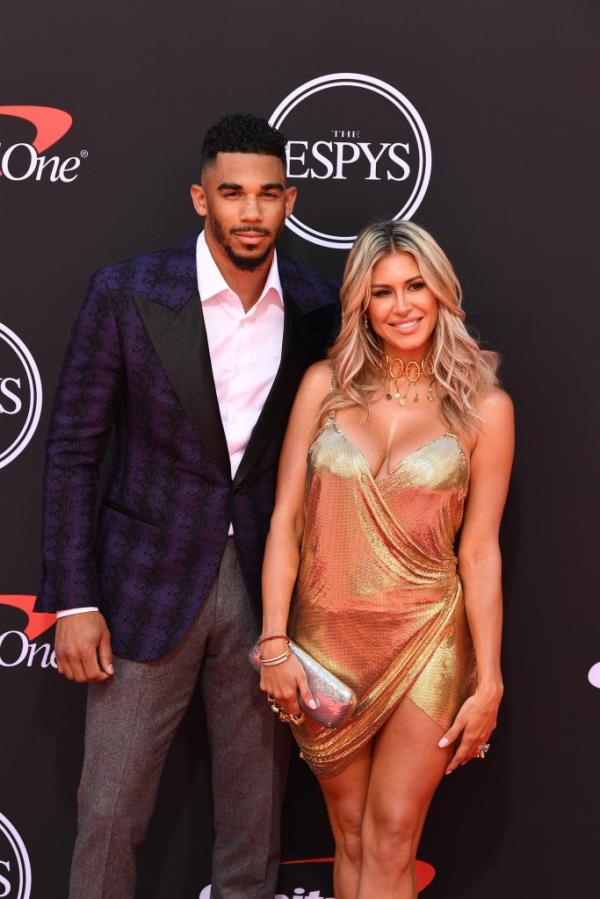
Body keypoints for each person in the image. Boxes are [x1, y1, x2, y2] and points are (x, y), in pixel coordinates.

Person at [35, 113, 339, 899]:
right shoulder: (128, 292)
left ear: (290, 201)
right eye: (232, 192)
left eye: (268, 194)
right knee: (108, 814)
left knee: (255, 823)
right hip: (143, 585)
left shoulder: (317, 303)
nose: (250, 211)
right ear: (199, 197)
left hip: (266, 591)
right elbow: (71, 449)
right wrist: (74, 598)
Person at [258, 220, 514, 899]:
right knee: (351, 832)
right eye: (383, 292)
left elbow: (480, 551)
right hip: (324, 644)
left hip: (427, 637)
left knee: (396, 828)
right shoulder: (324, 387)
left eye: (416, 286)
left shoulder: (485, 407)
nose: (402, 305)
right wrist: (275, 638)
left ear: (441, 292)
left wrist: (488, 680)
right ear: (361, 306)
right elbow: (284, 520)